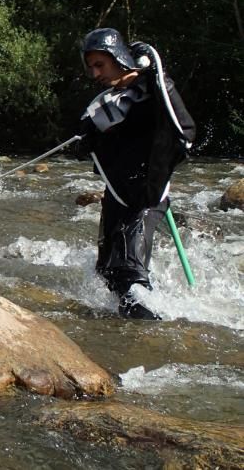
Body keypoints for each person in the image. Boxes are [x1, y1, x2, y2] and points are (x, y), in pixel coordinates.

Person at [79, 28, 195, 319]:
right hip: (118, 193)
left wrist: (157, 77)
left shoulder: (156, 90)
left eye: (100, 65)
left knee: (132, 282)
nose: (95, 74)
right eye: (91, 66)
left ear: (119, 58)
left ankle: (150, 339)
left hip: (146, 196)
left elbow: (185, 134)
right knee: (106, 273)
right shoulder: (112, 101)